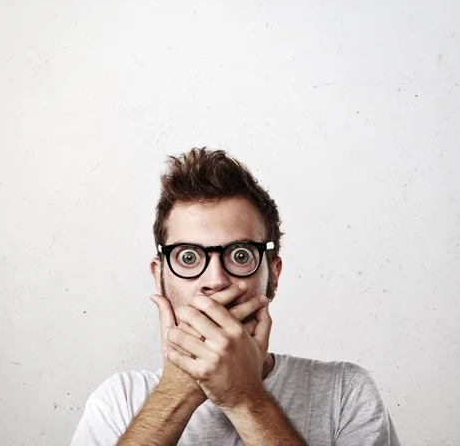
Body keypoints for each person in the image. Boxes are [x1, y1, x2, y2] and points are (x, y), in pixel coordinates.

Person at [70, 147, 401, 445]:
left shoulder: (345, 392)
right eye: (188, 257)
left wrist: (245, 398)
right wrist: (178, 390)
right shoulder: (119, 401)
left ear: (273, 275)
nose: (214, 280)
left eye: (240, 255)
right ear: (159, 277)